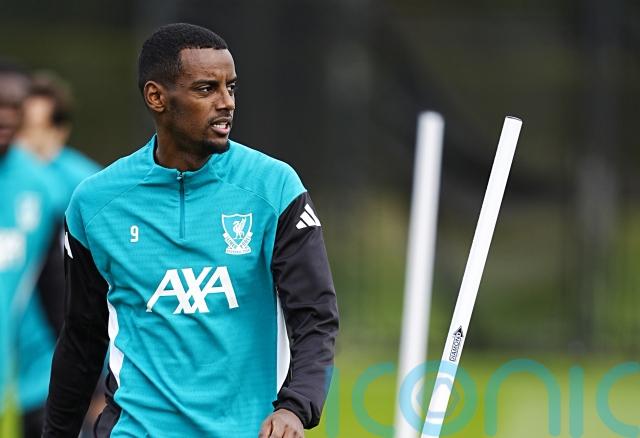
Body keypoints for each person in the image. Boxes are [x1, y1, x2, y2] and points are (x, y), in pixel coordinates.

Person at [44, 23, 339, 437]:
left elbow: (315, 317)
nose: (226, 102)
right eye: (206, 89)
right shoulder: (95, 203)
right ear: (157, 97)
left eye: (231, 87)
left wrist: (295, 406)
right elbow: (81, 338)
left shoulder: (275, 188)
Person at [14, 72, 103, 437]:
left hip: (58, 366)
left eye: (34, 128)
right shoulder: (12, 181)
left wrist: (98, 380)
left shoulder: (86, 187)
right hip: (19, 357)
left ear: (58, 131)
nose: (23, 138)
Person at [0, 61, 64, 438]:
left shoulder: (41, 187)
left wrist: (89, 378)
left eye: (14, 106)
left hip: (20, 385)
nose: (6, 116)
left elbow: (55, 288)